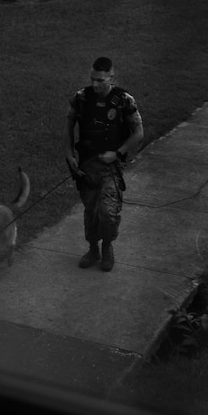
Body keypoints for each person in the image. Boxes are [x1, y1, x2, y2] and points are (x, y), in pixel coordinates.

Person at [64, 56, 144, 271]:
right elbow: (69, 124)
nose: (95, 84)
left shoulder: (124, 100)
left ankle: (107, 245)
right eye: (92, 79)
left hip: (110, 167)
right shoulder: (81, 98)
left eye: (100, 80)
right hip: (87, 166)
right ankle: (93, 249)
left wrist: (117, 154)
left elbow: (138, 133)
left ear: (112, 78)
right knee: (91, 211)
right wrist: (69, 154)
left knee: (108, 212)